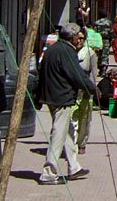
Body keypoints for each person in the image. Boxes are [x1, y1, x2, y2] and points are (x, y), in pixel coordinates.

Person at [36, 23, 97, 185]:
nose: (80, 40)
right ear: (72, 36)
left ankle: (74, 167)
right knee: (58, 133)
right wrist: (92, 89)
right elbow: (76, 75)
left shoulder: (52, 50)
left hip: (50, 96)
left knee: (67, 131)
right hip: (61, 98)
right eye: (78, 36)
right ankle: (49, 172)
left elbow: (40, 73)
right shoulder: (66, 52)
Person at [71, 28, 99, 154]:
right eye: (78, 38)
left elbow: (94, 74)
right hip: (71, 93)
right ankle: (71, 146)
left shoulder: (90, 53)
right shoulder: (69, 52)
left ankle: (81, 144)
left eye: (82, 38)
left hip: (85, 93)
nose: (79, 41)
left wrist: (92, 89)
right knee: (72, 120)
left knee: (84, 121)